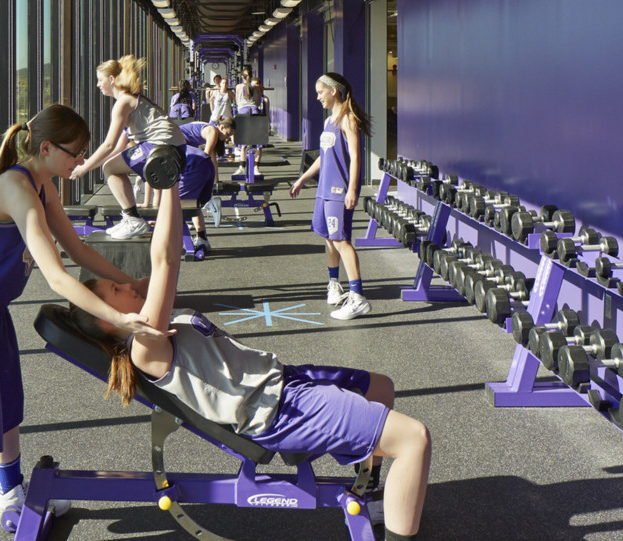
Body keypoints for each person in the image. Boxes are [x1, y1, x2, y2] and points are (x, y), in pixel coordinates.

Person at [65, 183, 432, 541]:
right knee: (414, 439)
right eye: (115, 290)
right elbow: (166, 262)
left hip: (282, 382)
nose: (126, 285)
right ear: (107, 320)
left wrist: (171, 188)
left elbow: (169, 250)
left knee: (380, 387)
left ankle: (374, 497)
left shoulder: (144, 321)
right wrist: (164, 186)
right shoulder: (145, 346)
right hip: (275, 410)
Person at [0, 104, 166, 541]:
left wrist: (134, 285)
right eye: (75, 153)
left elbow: (80, 252)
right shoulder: (16, 187)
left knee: (5, 410)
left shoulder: (42, 184)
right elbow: (56, 276)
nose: (80, 161)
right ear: (47, 147)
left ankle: (10, 494)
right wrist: (119, 317)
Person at [71, 55, 188, 240]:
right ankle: (130, 219)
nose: (98, 85)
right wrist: (90, 163)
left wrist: (84, 169)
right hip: (173, 149)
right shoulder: (133, 101)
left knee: (109, 168)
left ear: (111, 80)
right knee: (111, 165)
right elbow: (117, 149)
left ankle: (133, 220)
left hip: (162, 148)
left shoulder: (123, 103)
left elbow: (108, 144)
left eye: (100, 80)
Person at [290, 72, 373, 320]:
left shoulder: (347, 120)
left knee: (340, 241)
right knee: (328, 238)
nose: (318, 97)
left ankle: (358, 298)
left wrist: (352, 189)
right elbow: (323, 157)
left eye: (320, 92)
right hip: (323, 191)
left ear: (333, 91)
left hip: (338, 192)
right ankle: (335, 286)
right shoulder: (329, 121)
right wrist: (303, 178)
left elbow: (357, 157)